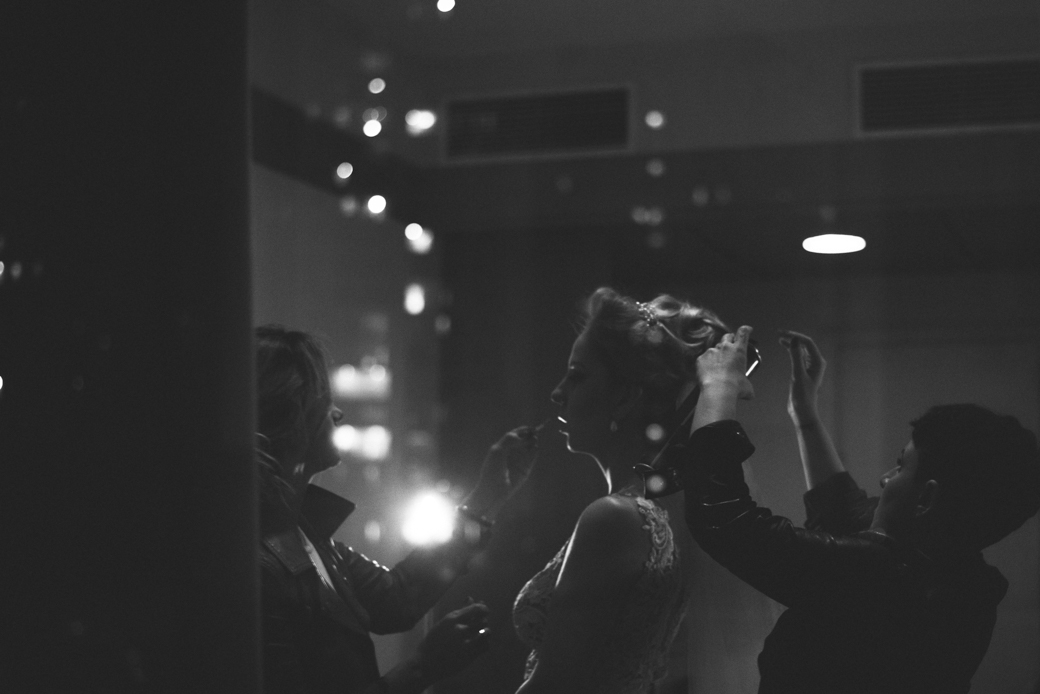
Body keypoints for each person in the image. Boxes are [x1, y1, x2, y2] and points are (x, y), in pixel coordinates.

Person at [673, 325, 1040, 693]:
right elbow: (847, 514)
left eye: (900, 466)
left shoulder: (880, 581)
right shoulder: (961, 581)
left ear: (926, 499)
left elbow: (727, 520)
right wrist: (805, 414)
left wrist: (719, 386)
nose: (884, 479)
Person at [255, 325, 537, 694]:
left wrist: (485, 498)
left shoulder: (304, 534)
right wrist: (421, 669)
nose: (337, 413)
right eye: (324, 399)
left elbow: (396, 597)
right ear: (293, 412)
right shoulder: (258, 563)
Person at [512, 287, 735, 693]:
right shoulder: (671, 508)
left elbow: (554, 684)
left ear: (625, 398)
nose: (558, 392)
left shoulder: (612, 518)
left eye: (577, 375)